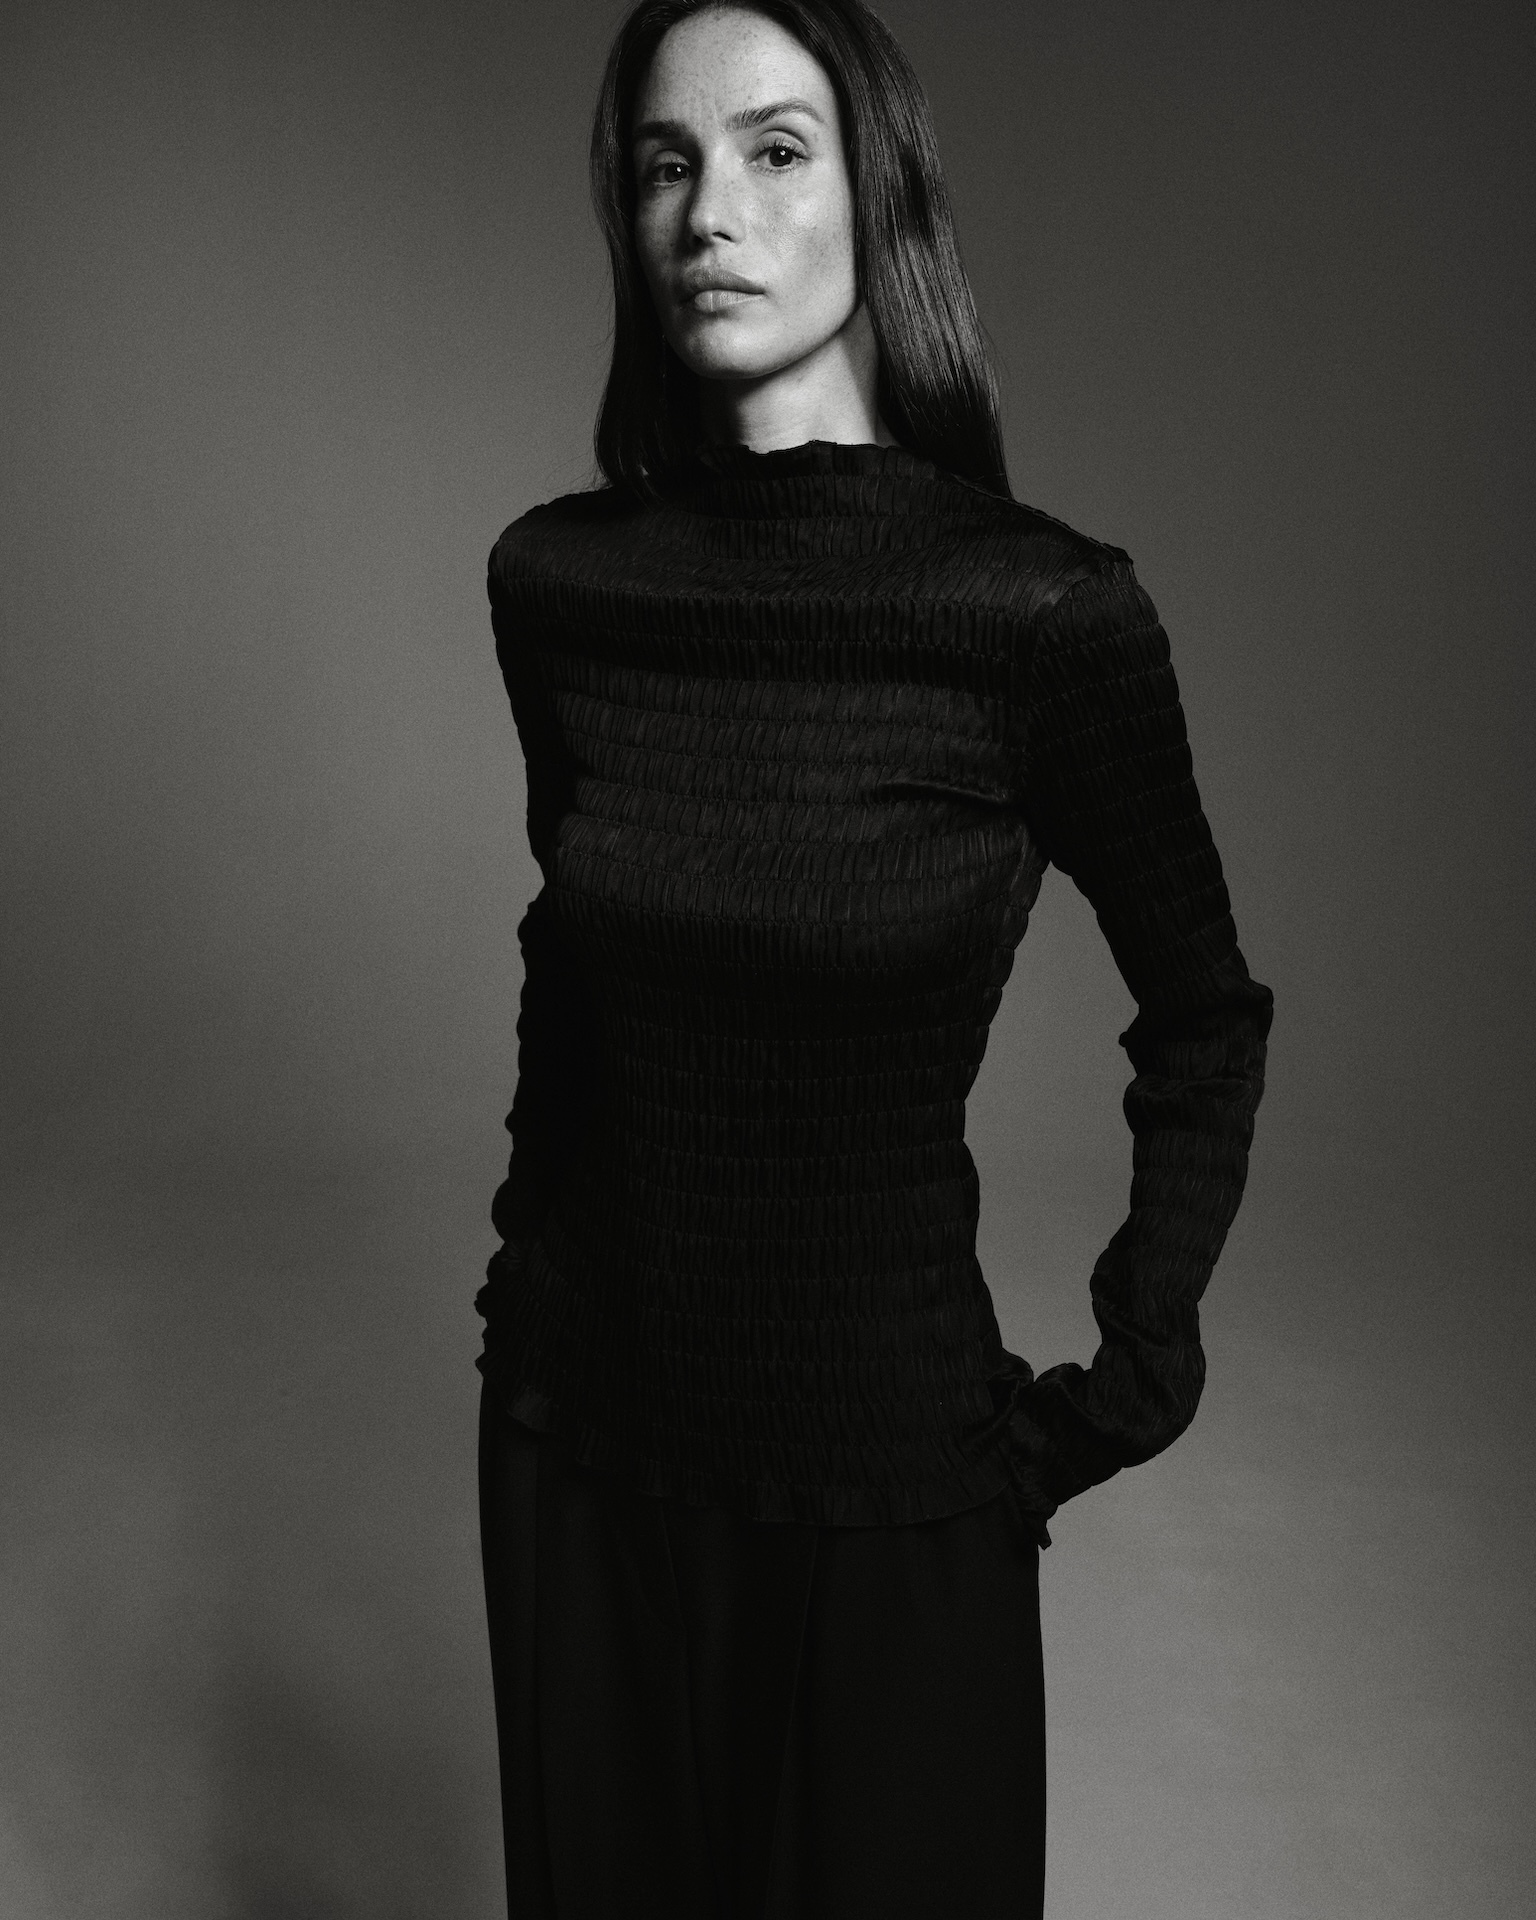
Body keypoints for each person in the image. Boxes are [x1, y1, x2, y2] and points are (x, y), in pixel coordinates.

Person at [475, 2, 1273, 1914]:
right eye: (664, 164)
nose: (708, 215)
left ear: (879, 196)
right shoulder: (561, 583)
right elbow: (579, 961)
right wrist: (524, 1281)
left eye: (774, 151)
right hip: (581, 1455)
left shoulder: (1039, 613)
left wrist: (1130, 1380)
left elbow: (1204, 1016)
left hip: (892, 1484)